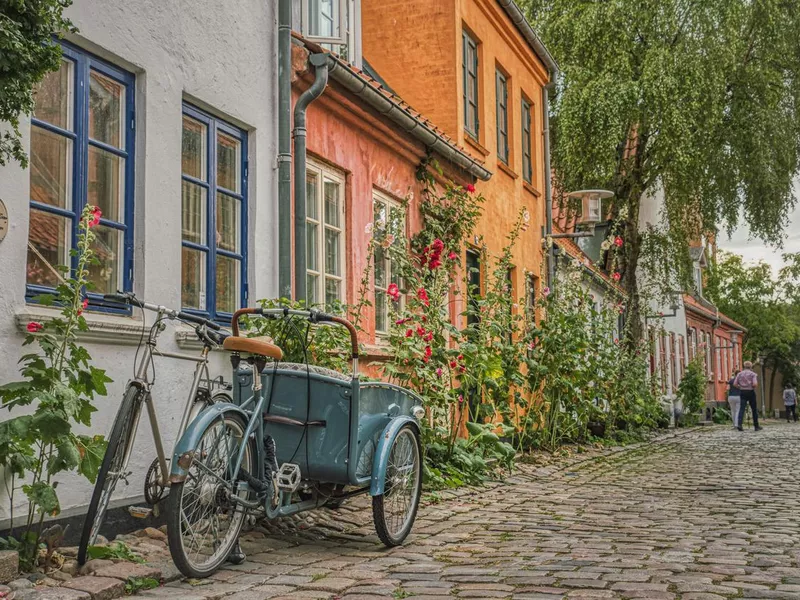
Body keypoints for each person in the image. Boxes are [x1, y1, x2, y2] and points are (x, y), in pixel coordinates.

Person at [734, 361, 760, 431]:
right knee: (754, 409)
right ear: (751, 367)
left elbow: (735, 384)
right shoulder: (753, 374)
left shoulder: (739, 374)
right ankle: (756, 426)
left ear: (744, 366)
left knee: (741, 409)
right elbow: (754, 384)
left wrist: (740, 387)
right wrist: (751, 386)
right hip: (751, 392)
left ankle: (739, 424)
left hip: (742, 392)